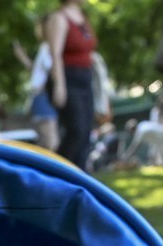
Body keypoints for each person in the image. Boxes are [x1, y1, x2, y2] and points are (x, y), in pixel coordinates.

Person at [46, 0, 99, 170]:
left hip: (85, 78)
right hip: (68, 78)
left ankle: (80, 179)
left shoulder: (83, 18)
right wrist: (59, 85)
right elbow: (55, 53)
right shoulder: (59, 18)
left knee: (86, 134)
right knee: (76, 130)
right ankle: (55, 172)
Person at [12, 30, 59, 150]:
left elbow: (50, 69)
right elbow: (38, 70)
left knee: (50, 139)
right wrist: (22, 56)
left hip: (43, 94)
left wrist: (46, 85)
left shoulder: (49, 47)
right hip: (41, 94)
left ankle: (49, 166)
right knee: (46, 138)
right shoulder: (45, 47)